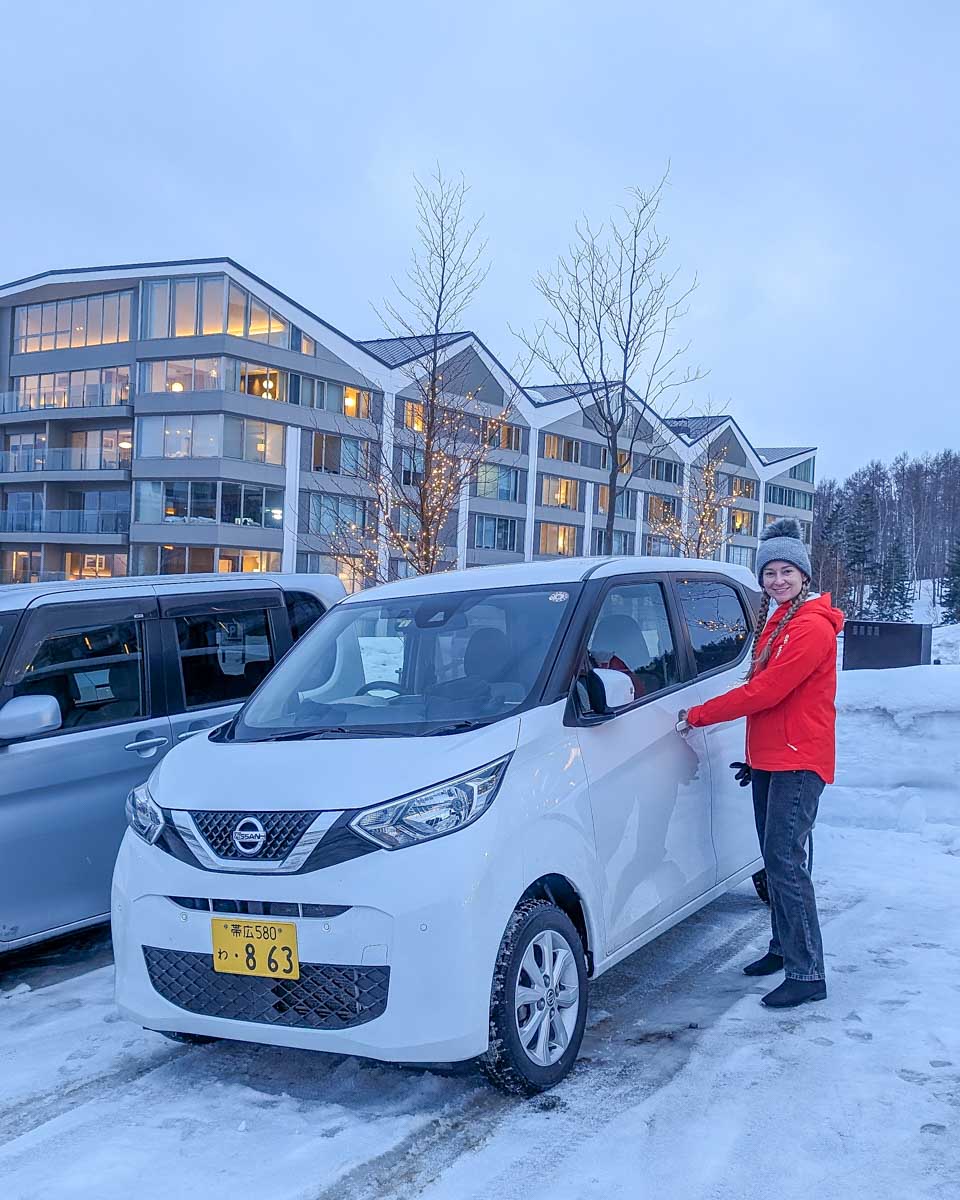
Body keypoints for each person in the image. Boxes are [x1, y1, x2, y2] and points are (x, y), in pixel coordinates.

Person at [679, 518, 845, 1009]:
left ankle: (808, 971)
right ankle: (782, 948)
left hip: (798, 760)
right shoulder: (779, 620)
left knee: (785, 864)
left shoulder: (809, 626)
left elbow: (768, 692)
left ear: (804, 576)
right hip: (773, 758)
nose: (777, 580)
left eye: (786, 571)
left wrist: (701, 715)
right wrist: (754, 757)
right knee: (774, 862)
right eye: (769, 572)